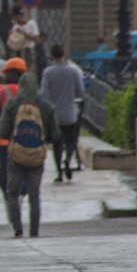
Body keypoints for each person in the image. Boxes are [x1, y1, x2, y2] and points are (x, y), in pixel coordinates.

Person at [0, 72, 61, 238]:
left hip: (16, 157)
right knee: (34, 197)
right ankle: (34, 232)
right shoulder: (46, 106)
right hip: (36, 158)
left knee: (12, 192)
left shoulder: (12, 104)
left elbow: (2, 132)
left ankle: (18, 229)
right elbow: (55, 135)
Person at [39, 43, 85, 182]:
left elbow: (44, 94)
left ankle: (59, 171)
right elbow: (80, 92)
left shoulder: (48, 72)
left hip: (55, 115)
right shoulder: (73, 71)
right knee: (71, 141)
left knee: (57, 143)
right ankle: (68, 161)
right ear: (63, 55)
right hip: (70, 113)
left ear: (52, 56)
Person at [0, 57, 28, 197]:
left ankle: (13, 202)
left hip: (5, 143)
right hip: (27, 141)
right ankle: (19, 198)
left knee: (5, 177)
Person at [6, 6, 41, 71]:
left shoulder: (31, 24)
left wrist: (23, 33)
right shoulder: (15, 26)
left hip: (28, 51)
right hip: (17, 51)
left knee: (27, 70)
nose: (15, 20)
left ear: (19, 16)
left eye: (15, 17)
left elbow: (37, 39)